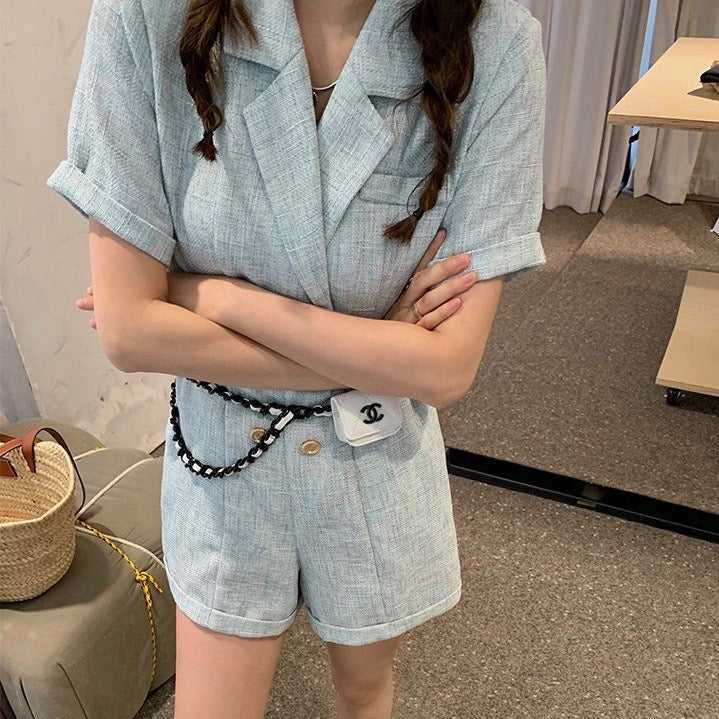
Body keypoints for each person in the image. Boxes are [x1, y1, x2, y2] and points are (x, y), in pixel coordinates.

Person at [46, 0, 547, 716]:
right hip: (225, 452)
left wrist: (213, 296)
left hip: (375, 454)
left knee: (364, 687)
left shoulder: (493, 43)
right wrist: (382, 349)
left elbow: (446, 371)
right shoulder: (147, 15)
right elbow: (129, 334)